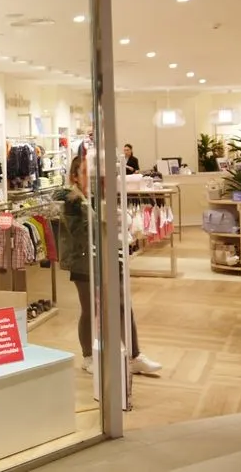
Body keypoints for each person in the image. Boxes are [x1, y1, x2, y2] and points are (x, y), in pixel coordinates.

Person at [57, 156, 161, 375]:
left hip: (109, 256)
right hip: (84, 262)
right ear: (74, 176)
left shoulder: (97, 197)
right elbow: (81, 233)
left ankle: (134, 356)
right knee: (90, 309)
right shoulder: (71, 201)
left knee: (123, 305)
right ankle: (88, 356)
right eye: (85, 172)